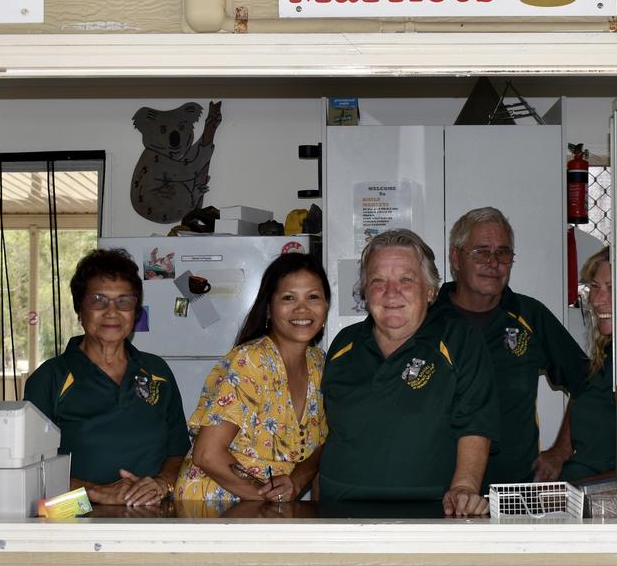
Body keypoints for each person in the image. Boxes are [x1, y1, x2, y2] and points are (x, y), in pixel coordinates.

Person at [320, 229, 499, 517]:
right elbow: (325, 431)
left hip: (430, 511)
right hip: (340, 510)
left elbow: (475, 424)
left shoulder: (459, 340)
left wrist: (464, 488)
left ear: (429, 291)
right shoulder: (344, 344)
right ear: (365, 291)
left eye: (406, 280)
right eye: (378, 281)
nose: (391, 293)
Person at [430, 207, 589, 486]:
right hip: (436, 488)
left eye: (503, 253)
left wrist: (561, 451)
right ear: (455, 258)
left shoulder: (530, 316)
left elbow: (588, 381)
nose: (493, 262)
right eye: (481, 252)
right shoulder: (425, 319)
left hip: (515, 491)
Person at [24, 248, 189, 506]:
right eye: (98, 300)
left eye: (124, 301)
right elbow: (30, 472)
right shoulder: (50, 378)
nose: (112, 311)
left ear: (135, 313)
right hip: (75, 521)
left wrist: (162, 483)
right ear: (80, 310)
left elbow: (178, 452)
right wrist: (96, 493)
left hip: (153, 518)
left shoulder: (158, 372)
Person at [176, 252, 329, 503]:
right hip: (214, 503)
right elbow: (208, 454)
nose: (302, 308)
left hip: (269, 509)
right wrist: (268, 494)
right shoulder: (252, 360)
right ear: (268, 308)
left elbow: (323, 447)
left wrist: (296, 483)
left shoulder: (320, 364)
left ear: (325, 307)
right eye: (288, 298)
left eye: (313, 297)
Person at [538, 247, 616, 482]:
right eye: (594, 287)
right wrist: (560, 451)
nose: (595, 300)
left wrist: (569, 493)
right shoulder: (609, 356)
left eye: (610, 288)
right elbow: (583, 390)